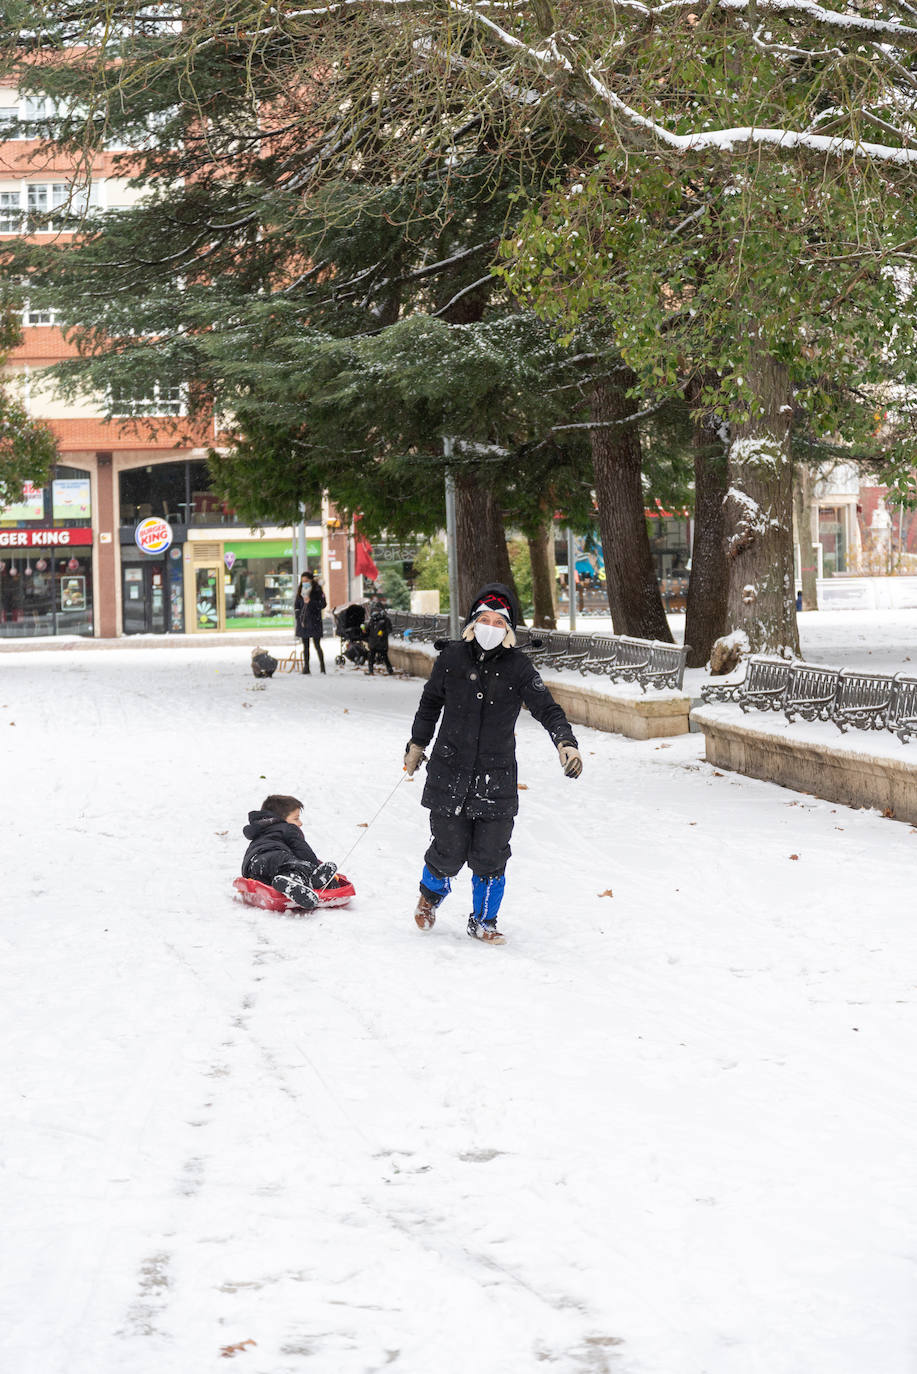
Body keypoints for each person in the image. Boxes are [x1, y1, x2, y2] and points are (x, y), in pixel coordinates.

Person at [403, 582, 583, 945]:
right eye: (484, 619)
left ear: (509, 630)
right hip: (449, 771)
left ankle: (484, 919)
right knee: (448, 850)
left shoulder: (518, 666)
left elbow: (547, 708)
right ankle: (431, 895)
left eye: (498, 622)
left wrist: (565, 742)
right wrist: (417, 743)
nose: (490, 627)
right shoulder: (451, 659)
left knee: (491, 854)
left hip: (495, 777)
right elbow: (429, 703)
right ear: (472, 624)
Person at [241, 794, 337, 909]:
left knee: (281, 869)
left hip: (252, 866)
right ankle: (298, 880)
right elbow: (303, 851)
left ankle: (285, 881)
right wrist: (313, 866)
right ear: (281, 818)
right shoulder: (287, 828)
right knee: (297, 866)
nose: (300, 823)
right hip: (277, 857)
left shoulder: (260, 832)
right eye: (296, 818)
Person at [294, 570, 327, 675]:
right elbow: (297, 605)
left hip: (314, 621)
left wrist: (311, 602)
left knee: (317, 644)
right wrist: (298, 616)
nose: (304, 583)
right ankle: (306, 667)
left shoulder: (317, 590)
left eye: (306, 580)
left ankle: (322, 667)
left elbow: (323, 604)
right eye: (303, 581)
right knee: (305, 646)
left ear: (311, 580)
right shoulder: (300, 590)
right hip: (303, 621)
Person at [365, 599, 395, 676]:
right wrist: (364, 631)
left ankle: (390, 670)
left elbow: (389, 629)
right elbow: (368, 629)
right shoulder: (372, 620)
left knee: (384, 657)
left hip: (381, 642)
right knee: (371, 657)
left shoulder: (385, 620)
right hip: (374, 642)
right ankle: (371, 670)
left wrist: (383, 633)